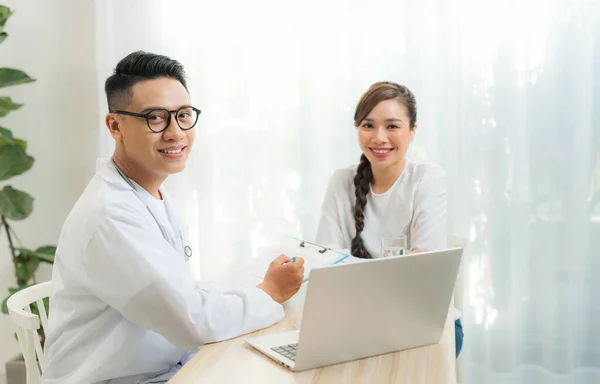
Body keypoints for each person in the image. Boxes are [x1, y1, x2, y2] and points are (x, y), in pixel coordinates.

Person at [43, 51, 305, 384]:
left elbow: (184, 298)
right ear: (115, 125)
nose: (175, 132)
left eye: (183, 115)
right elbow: (192, 321)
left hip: (163, 370)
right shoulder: (110, 214)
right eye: (155, 117)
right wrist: (267, 292)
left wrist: (258, 292)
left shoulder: (145, 192)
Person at [314, 81, 463, 357]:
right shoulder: (341, 181)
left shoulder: (427, 179)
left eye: (392, 126)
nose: (379, 138)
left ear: (412, 131)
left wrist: (350, 268)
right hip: (355, 319)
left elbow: (422, 269)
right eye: (368, 125)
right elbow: (323, 265)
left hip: (420, 321)